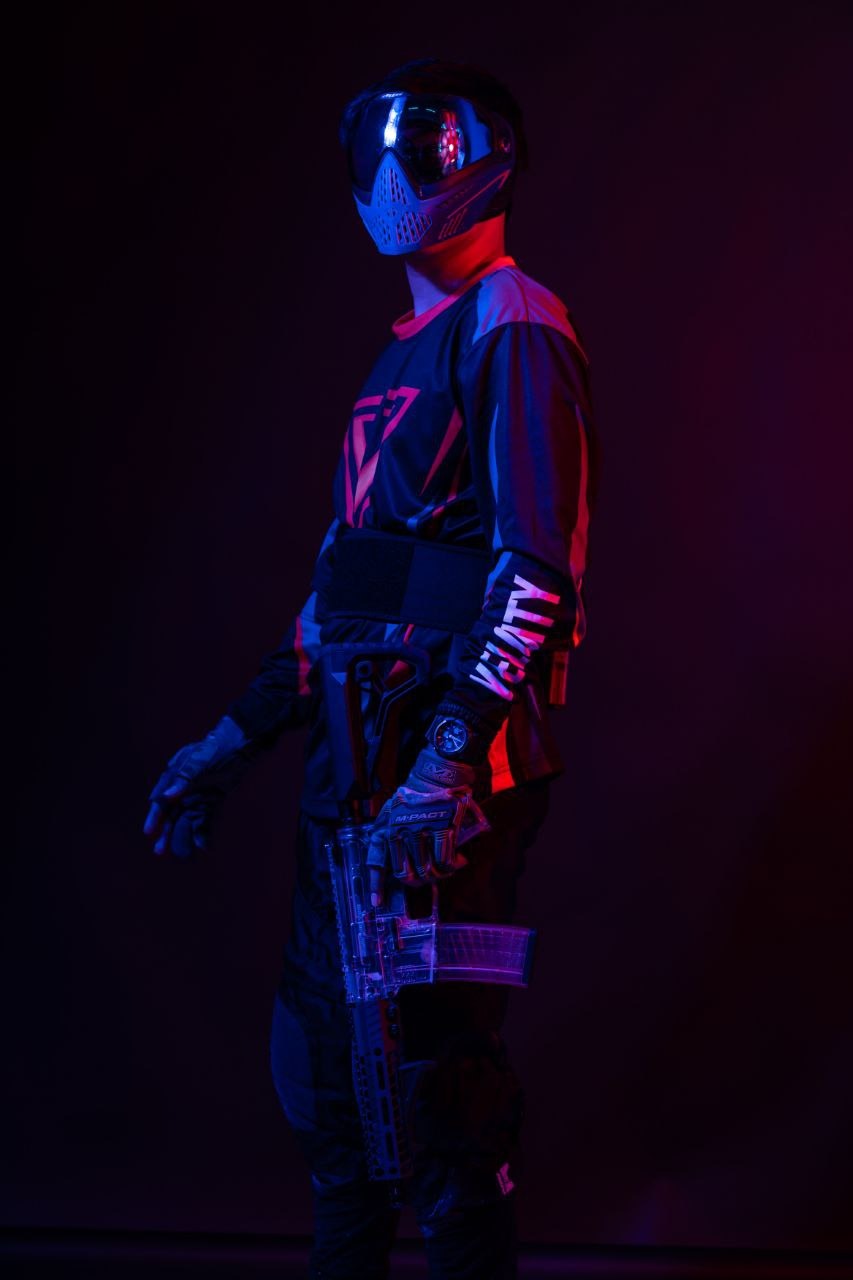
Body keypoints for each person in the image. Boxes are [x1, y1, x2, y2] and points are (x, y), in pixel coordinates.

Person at [144, 57, 598, 1280]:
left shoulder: (511, 322)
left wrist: (447, 761)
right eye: (379, 143)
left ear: (488, 154)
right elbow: (343, 595)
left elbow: (535, 572)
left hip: (436, 778)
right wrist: (231, 740)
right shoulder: (398, 356)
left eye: (427, 142)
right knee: (331, 1089)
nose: (397, 171)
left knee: (432, 1086)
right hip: (353, 774)